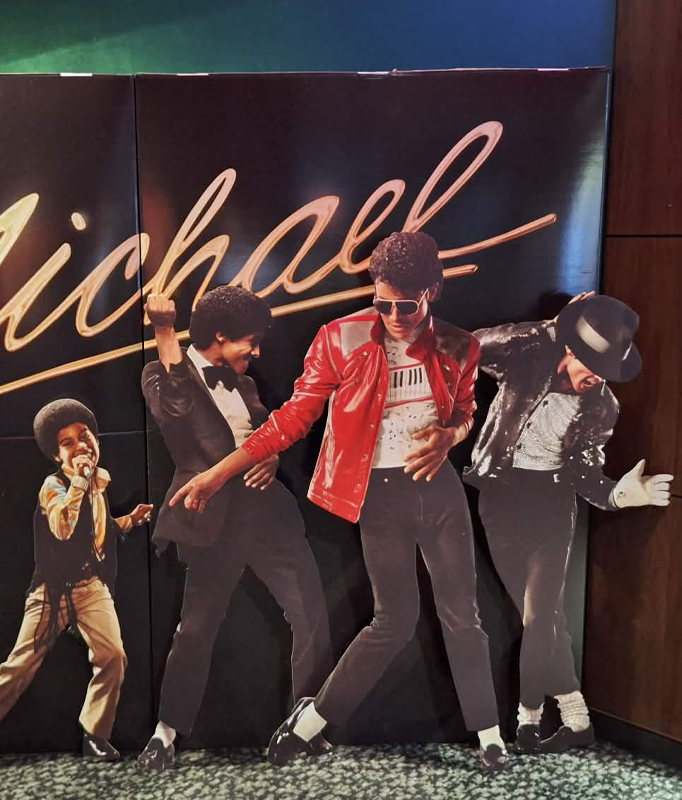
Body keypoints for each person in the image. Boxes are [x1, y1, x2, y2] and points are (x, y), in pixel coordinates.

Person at [171, 232, 509, 771]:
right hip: (379, 496)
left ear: (432, 291)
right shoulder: (340, 338)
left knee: (463, 616)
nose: (393, 316)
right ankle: (310, 722)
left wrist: (451, 436)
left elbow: (466, 410)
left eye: (406, 305)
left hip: (439, 492)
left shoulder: (459, 346)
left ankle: (491, 737)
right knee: (393, 620)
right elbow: (292, 419)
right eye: (382, 302)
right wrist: (216, 475)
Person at [137, 285, 333, 772]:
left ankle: (305, 725)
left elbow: (267, 434)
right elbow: (174, 409)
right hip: (210, 520)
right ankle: (165, 734)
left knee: (310, 614)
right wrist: (165, 331)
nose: (257, 352)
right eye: (252, 340)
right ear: (221, 336)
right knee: (195, 629)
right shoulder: (159, 374)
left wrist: (272, 458)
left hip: (269, 518)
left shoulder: (244, 383)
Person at [466, 292, 672, 754]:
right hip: (499, 502)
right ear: (570, 349)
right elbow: (475, 346)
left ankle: (527, 717)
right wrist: (550, 327)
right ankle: (578, 720)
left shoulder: (602, 406)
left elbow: (584, 474)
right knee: (542, 619)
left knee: (540, 616)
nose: (597, 377)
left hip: (553, 507)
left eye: (608, 370)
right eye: (592, 364)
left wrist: (621, 494)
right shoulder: (527, 363)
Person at [0, 399, 153, 775]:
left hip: (90, 586)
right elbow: (63, 529)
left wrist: (129, 520)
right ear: (56, 455)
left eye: (84, 436)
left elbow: (97, 532)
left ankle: (95, 734)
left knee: (113, 656)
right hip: (51, 591)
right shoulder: (53, 486)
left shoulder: (98, 482)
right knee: (22, 663)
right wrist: (79, 481)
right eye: (68, 443)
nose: (80, 446)